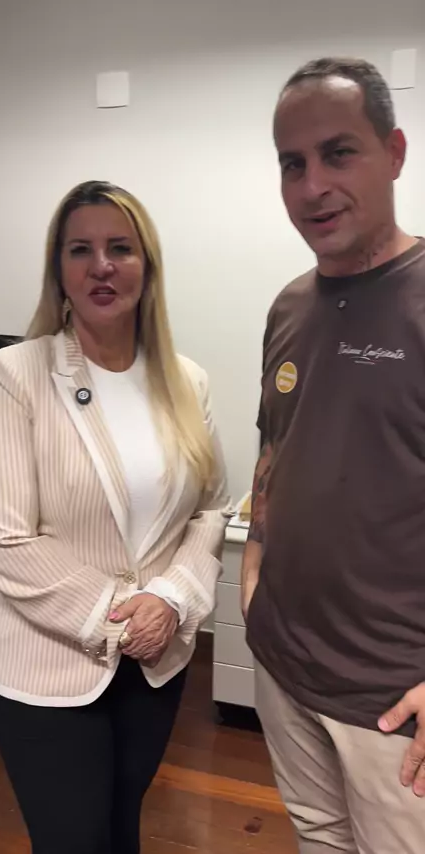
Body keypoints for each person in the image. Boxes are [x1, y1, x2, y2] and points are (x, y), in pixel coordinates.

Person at [0, 180, 230, 854]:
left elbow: (210, 509)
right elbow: (4, 538)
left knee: (121, 826)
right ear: (59, 270)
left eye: (120, 248)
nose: (102, 266)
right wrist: (122, 616)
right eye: (80, 250)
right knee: (74, 839)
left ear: (148, 265)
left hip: (155, 662)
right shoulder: (16, 375)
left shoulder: (187, 381)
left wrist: (171, 599)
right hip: (45, 668)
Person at [241, 57, 425, 854]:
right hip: (285, 665)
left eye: (338, 153)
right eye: (293, 163)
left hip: (392, 701)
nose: (312, 186)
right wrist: (252, 576)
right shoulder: (289, 307)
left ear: (395, 152)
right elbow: (275, 447)